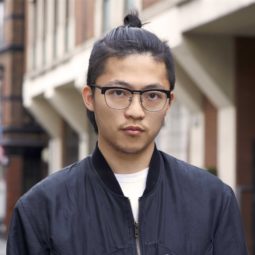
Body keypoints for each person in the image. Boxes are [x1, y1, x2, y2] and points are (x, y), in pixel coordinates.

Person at [7, 12, 248, 255]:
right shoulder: (40, 210)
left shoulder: (213, 200)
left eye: (152, 95)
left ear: (169, 102)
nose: (136, 111)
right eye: (119, 93)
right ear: (89, 98)